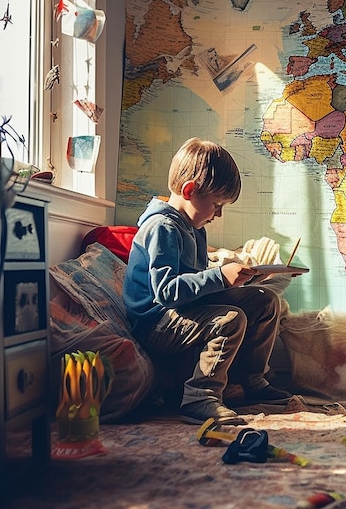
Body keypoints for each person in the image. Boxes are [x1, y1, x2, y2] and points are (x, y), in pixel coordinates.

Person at [123, 137, 292, 425]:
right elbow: (166, 292)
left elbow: (197, 284)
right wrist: (219, 277)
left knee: (265, 300)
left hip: (182, 309)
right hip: (156, 322)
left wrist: (244, 280)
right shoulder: (161, 227)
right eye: (216, 204)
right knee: (229, 319)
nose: (218, 214)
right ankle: (199, 398)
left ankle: (252, 380)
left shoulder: (194, 228)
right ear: (190, 191)